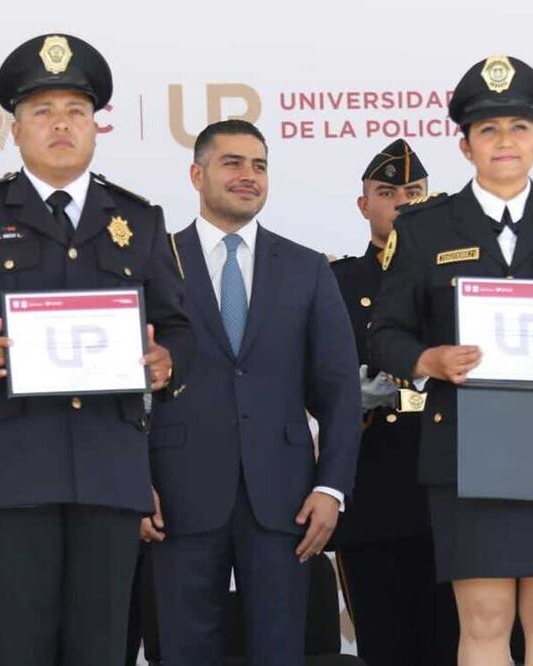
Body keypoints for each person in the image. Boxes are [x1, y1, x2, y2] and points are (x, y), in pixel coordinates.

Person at [0, 33, 194, 666]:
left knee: (102, 648)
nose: (60, 125)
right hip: (13, 469)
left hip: (110, 467)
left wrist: (167, 362)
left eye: (75, 112)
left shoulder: (139, 220)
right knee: (21, 646)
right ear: (15, 129)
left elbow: (179, 329)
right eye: (43, 112)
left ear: (97, 126)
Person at [367, 55, 533, 666]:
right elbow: (382, 333)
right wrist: (427, 359)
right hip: (468, 448)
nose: (505, 142)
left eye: (518, 128)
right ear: (465, 146)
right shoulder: (424, 228)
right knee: (484, 622)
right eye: (488, 130)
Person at [141, 119, 361, 666]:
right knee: (185, 650)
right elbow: (125, 388)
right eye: (233, 163)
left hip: (285, 501)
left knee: (280, 649)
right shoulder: (154, 263)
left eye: (259, 165)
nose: (249, 176)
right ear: (197, 174)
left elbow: (338, 391)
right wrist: (134, 483)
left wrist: (332, 488)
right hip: (178, 496)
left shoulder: (308, 268)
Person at [330, 138, 458, 666]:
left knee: (458, 641)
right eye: (387, 192)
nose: (402, 202)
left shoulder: (458, 279)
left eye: (414, 190)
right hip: (374, 487)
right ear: (364, 206)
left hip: (451, 486)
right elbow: (314, 380)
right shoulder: (336, 282)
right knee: (386, 644)